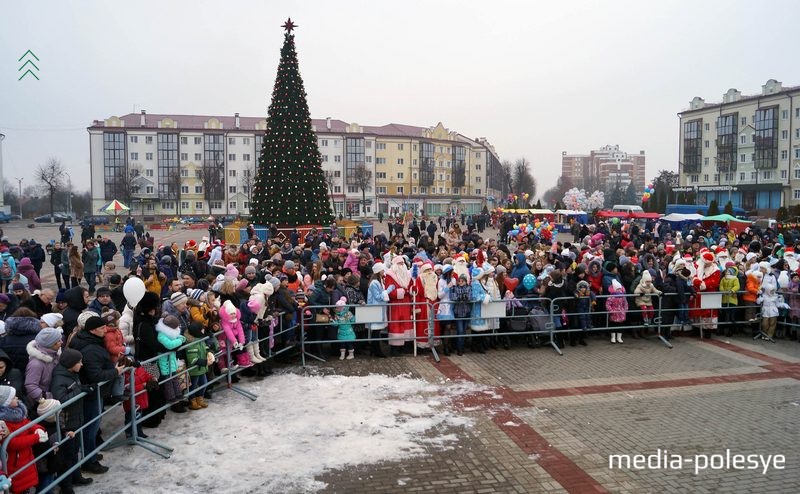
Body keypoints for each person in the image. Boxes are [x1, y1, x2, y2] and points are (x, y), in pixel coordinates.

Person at [69, 316, 125, 473]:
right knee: (90, 427)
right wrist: (115, 371)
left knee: (91, 426)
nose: (105, 330)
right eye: (102, 328)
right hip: (91, 393)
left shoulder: (90, 341)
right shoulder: (91, 348)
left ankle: (90, 454)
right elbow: (96, 375)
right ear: (92, 330)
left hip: (92, 391)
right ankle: (89, 460)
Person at [50, 348, 95, 493]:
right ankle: (66, 487)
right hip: (67, 423)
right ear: (70, 363)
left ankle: (76, 476)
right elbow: (61, 400)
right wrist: (80, 391)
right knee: (67, 456)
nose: (82, 364)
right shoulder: (59, 378)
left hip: (76, 418)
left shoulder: (72, 374)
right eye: (79, 362)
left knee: (75, 452)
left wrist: (84, 388)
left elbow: (74, 389)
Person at [0, 385, 48, 493]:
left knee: (27, 487)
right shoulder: (3, 422)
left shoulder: (17, 412)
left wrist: (38, 429)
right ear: (5, 403)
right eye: (13, 397)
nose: (17, 398)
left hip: (25, 458)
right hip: (14, 463)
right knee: (19, 488)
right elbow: (11, 443)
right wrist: (36, 437)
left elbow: (27, 423)